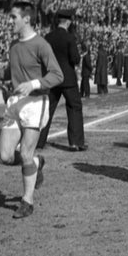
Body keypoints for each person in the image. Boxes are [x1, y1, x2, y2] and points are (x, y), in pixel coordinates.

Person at [0, 2, 64, 218]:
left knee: (24, 152)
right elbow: (12, 69)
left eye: (13, 17)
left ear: (26, 19)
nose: (10, 21)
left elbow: (57, 75)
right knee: (4, 156)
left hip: (35, 103)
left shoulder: (41, 44)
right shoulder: (14, 45)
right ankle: (36, 163)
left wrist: (33, 84)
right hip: (15, 102)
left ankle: (27, 201)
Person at [36, 9, 87, 151]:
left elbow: (42, 57)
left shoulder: (48, 37)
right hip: (68, 79)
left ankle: (38, 141)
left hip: (52, 77)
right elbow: (75, 59)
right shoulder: (70, 38)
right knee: (74, 107)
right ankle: (76, 142)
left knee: (48, 109)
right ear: (68, 22)